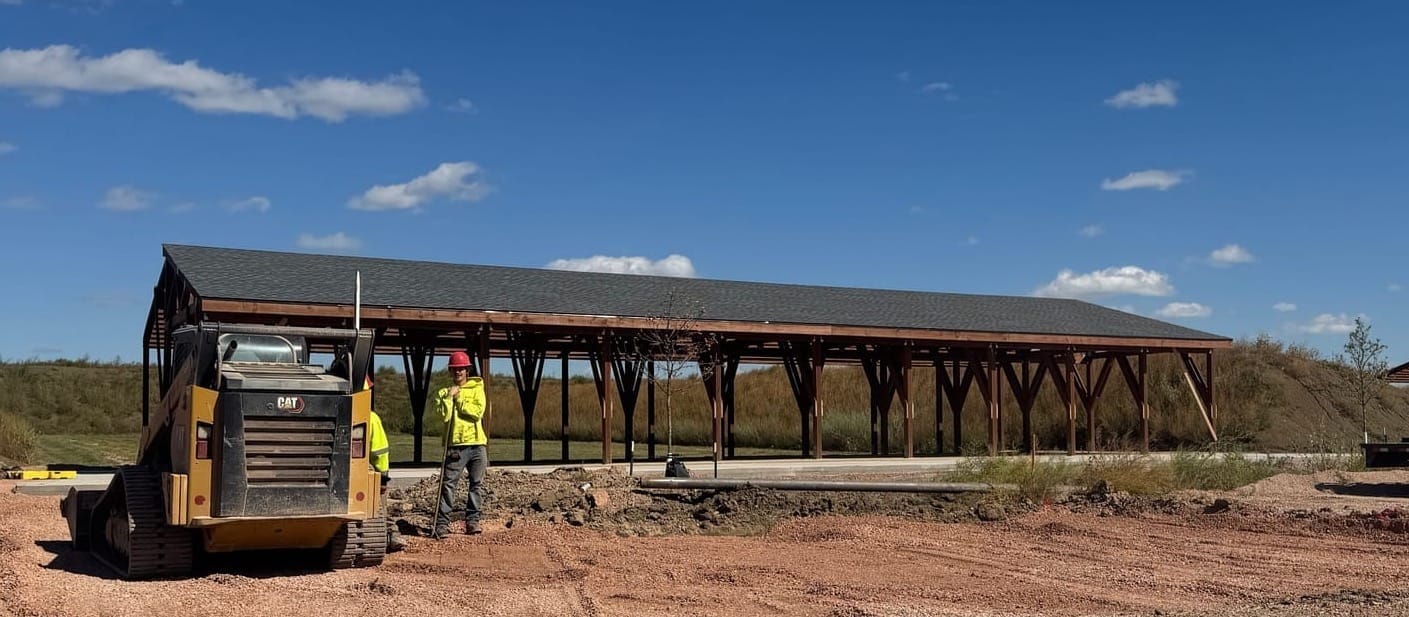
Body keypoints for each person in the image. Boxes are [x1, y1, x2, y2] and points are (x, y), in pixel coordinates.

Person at [433, 350, 489, 538]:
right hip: (455, 445)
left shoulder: (477, 389)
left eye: (461, 369)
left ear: (467, 370)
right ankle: (442, 524)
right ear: (450, 371)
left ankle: (472, 522)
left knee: (476, 485)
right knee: (448, 485)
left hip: (477, 445)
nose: (458, 372)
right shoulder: (443, 393)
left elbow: (477, 413)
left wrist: (459, 399)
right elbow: (444, 416)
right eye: (454, 369)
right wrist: (449, 398)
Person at [365, 378, 408, 552]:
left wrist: (381, 478)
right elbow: (380, 452)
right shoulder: (370, 418)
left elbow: (379, 451)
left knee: (377, 507)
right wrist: (382, 477)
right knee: (378, 507)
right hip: (365, 473)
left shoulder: (370, 419)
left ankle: (391, 534)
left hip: (358, 473)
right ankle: (390, 534)